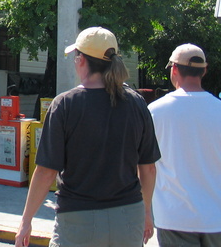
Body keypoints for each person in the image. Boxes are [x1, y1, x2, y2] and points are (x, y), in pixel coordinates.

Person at [15, 27, 160, 247]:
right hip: (128, 218)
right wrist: (146, 211)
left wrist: (26, 221)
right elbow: (148, 168)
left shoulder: (64, 105)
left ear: (81, 60)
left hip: (78, 220)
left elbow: (45, 172)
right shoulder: (137, 103)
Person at [148, 44, 221, 247]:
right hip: (216, 217)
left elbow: (146, 165)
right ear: (204, 71)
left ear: (174, 69)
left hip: (174, 217)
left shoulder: (155, 111)